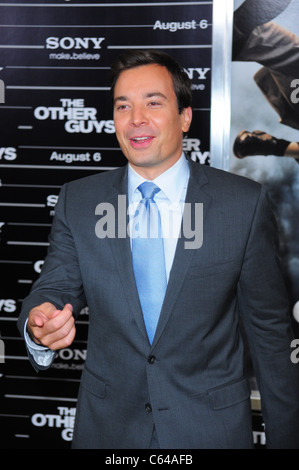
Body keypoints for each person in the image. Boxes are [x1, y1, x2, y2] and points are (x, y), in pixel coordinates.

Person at [18, 49, 299, 449]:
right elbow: (54, 287)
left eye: (153, 102)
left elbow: (270, 334)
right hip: (108, 432)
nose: (137, 119)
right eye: (123, 106)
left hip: (209, 432)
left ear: (185, 116)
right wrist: (39, 321)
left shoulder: (241, 203)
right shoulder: (80, 201)